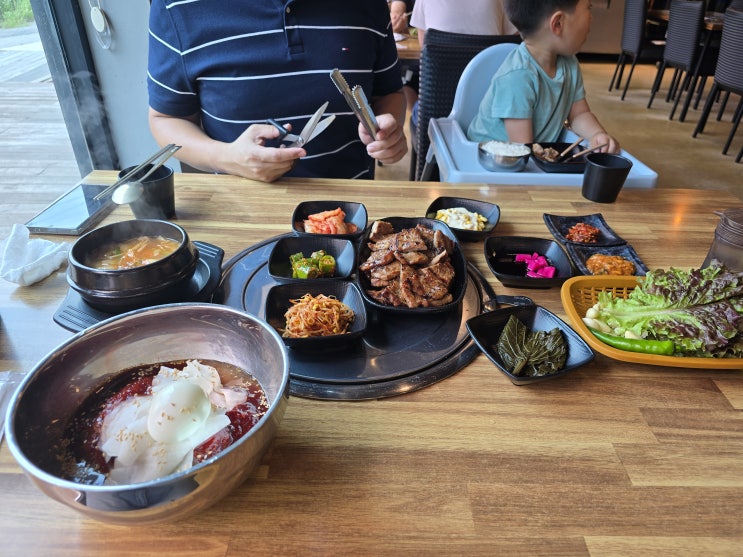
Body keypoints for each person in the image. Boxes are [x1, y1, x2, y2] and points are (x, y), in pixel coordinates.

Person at [147, 0, 408, 183]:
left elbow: (390, 93)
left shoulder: (370, 4)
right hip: (240, 214)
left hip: (352, 211)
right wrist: (227, 158)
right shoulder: (176, 7)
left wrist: (387, 132)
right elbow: (166, 119)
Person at [467, 0, 620, 153]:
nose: (591, 17)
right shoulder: (518, 77)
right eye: (588, 8)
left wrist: (597, 134)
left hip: (529, 153)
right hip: (484, 158)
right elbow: (523, 149)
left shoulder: (570, 64)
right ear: (558, 23)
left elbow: (579, 114)